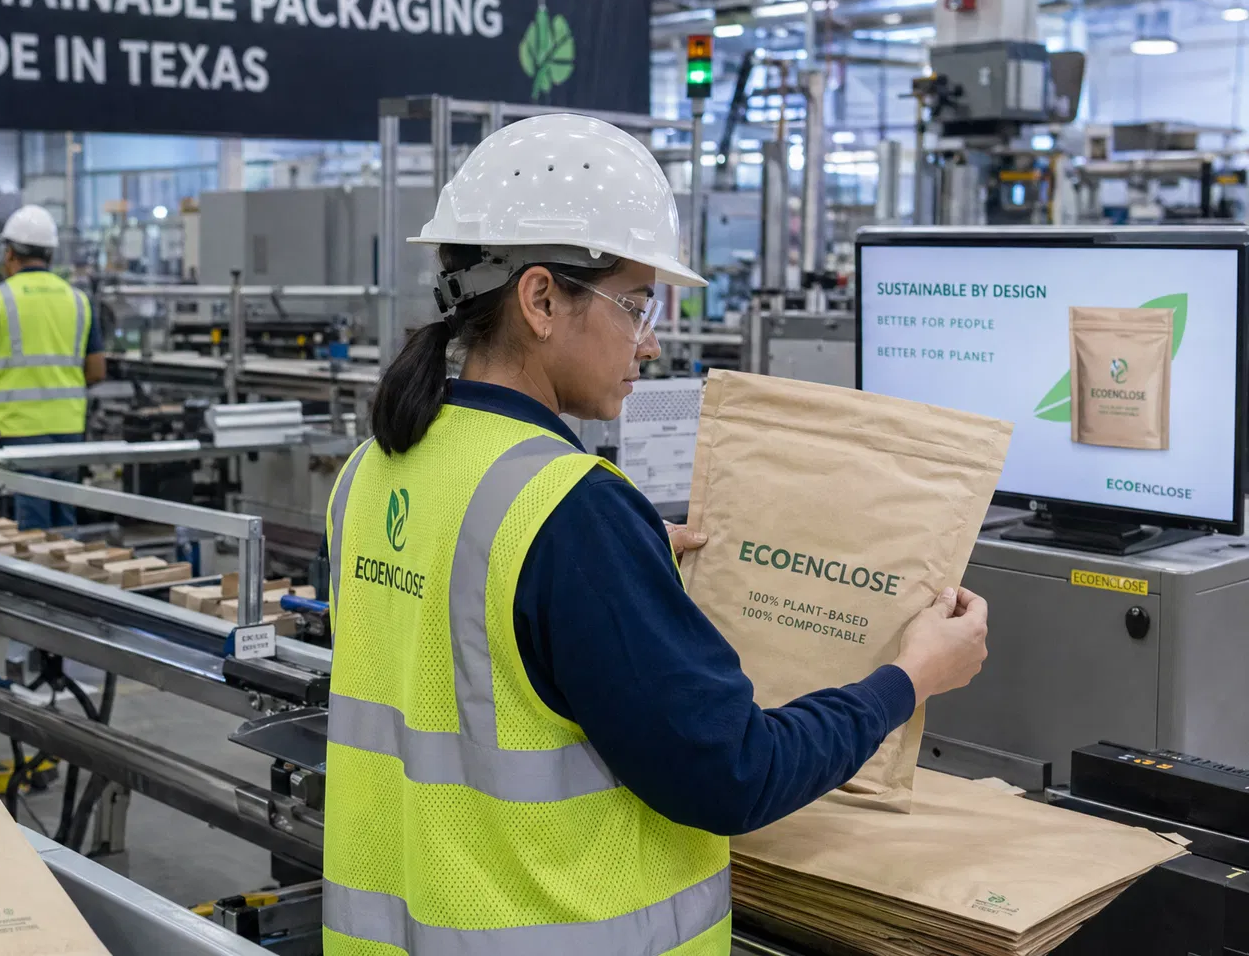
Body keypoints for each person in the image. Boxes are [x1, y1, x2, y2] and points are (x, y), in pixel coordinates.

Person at [320, 114, 990, 955]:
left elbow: (464, 664)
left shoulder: (372, 470)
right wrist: (909, 677)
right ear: (539, 299)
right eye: (635, 303)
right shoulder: (571, 512)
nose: (653, 337)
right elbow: (734, 774)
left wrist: (615, 577)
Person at [0, 204, 105, 530]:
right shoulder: (79, 300)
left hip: (17, 430)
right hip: (69, 428)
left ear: (10, 253)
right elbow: (96, 371)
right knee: (65, 524)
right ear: (50, 254)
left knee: (32, 528)